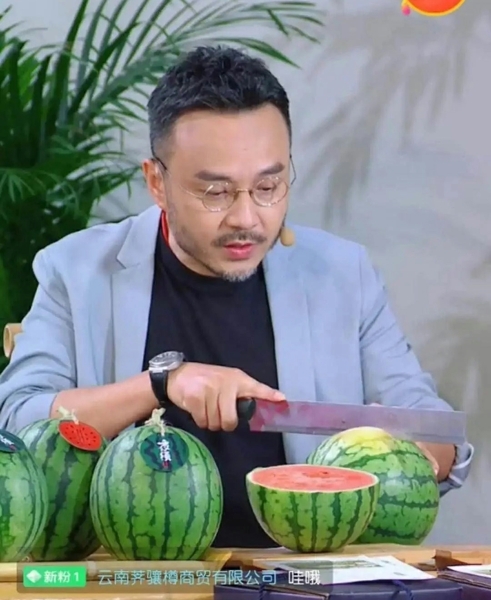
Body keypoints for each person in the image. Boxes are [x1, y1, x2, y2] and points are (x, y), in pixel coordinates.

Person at [0, 46, 473, 548]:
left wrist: (415, 456)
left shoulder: (343, 275)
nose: (247, 218)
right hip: (137, 576)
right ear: (157, 182)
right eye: (216, 193)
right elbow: (15, 422)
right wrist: (162, 384)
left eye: (269, 186)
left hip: (299, 574)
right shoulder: (77, 271)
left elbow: (435, 431)